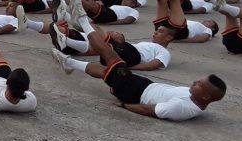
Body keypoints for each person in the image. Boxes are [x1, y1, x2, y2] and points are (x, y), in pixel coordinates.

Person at [51, 18, 226, 121]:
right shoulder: (193, 98)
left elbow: (149, 110)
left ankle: (83, 21)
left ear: (205, 96)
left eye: (198, 84)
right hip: (143, 85)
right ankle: (70, 63)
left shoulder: (182, 108)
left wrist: (126, 105)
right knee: (107, 72)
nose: (194, 82)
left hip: (134, 93)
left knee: (108, 52)